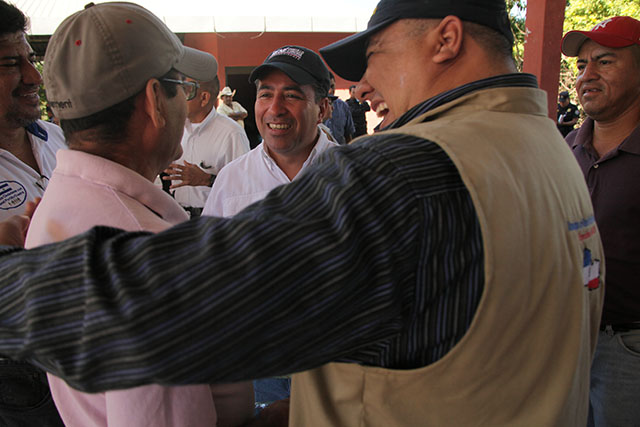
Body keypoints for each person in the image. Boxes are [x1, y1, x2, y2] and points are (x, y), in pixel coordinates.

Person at [0, 0, 604, 425]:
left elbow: (154, 311)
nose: (362, 86)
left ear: (446, 40)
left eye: (376, 53)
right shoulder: (543, 147)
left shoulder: (411, 172)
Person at [23, 3, 253, 426]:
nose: (185, 102)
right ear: (154, 102)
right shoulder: (141, 253)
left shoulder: (62, 201)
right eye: (180, 87)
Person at [561, 16, 640, 427]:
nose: (586, 76)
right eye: (582, 65)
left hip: (627, 348)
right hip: (565, 343)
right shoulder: (563, 148)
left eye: (605, 62)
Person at [0, 2, 65, 425]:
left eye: (30, 59)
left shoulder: (59, 139)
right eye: (10, 63)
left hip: (82, 359)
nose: (33, 78)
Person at [163, 77, 249, 217]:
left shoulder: (231, 134)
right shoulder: (176, 128)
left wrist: (207, 180)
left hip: (214, 222)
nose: (178, 97)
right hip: (179, 218)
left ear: (204, 98)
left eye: (185, 91)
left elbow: (246, 188)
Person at [323, 74, 355, 144]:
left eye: (332, 86)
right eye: (327, 87)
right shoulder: (313, 107)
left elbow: (348, 134)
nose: (330, 91)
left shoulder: (343, 106)